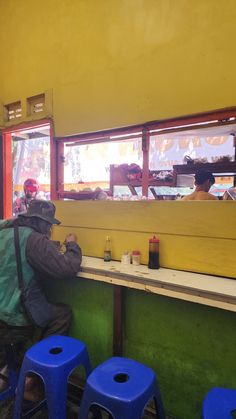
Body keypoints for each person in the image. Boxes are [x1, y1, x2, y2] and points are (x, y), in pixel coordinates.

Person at [0, 200, 82, 400]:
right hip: (13, 318)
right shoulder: (34, 240)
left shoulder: (4, 232)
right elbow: (65, 268)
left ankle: (11, 368)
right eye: (49, 225)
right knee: (61, 315)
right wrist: (72, 244)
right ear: (40, 222)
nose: (49, 229)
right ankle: (32, 378)